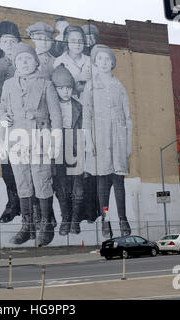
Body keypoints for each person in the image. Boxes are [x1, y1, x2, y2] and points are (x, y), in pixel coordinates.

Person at [0, 42, 62, 246]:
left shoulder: (46, 84)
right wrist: (2, 119)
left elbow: (56, 117)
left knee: (41, 181)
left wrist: (55, 142)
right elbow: (2, 107)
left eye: (27, 58)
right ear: (15, 63)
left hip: (39, 139)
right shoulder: (8, 85)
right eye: (19, 59)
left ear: (35, 62)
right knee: (22, 184)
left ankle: (46, 225)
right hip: (16, 140)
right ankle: (27, 226)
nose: (24, 62)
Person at [81, 45, 133, 238]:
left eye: (107, 59)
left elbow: (127, 117)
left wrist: (127, 143)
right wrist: (89, 141)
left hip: (117, 137)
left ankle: (123, 219)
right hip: (100, 137)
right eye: (100, 59)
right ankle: (106, 220)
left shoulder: (119, 86)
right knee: (102, 184)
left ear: (112, 62)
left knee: (118, 181)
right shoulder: (90, 86)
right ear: (95, 62)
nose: (104, 62)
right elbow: (86, 116)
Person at [0, 21, 22, 224]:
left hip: (25, 125)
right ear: (0, 44)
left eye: (13, 41)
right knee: (8, 167)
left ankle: (30, 205)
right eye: (5, 41)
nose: (9, 44)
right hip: (3, 124)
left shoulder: (28, 62)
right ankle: (13, 203)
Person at [51, 64, 85, 235]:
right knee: (61, 186)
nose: (65, 91)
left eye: (68, 88)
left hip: (75, 148)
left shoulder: (79, 107)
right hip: (57, 150)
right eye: (61, 88)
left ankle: (75, 221)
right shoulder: (51, 106)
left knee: (77, 187)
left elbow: (84, 129)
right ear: (55, 89)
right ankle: (65, 219)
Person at [53, 26, 91, 98]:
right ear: (66, 41)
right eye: (73, 41)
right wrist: (77, 78)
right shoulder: (59, 61)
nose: (77, 44)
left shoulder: (90, 60)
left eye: (80, 41)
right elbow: (57, 87)